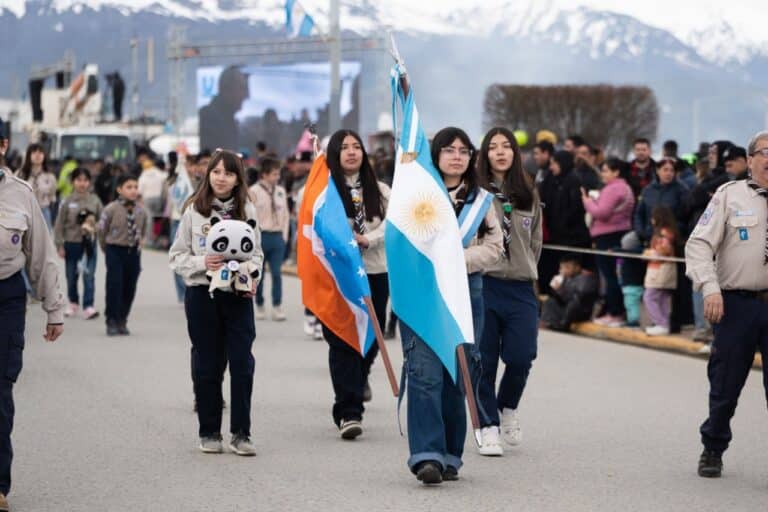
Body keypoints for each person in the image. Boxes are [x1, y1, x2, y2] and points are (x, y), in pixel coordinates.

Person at [685, 131, 768, 479]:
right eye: (765, 152)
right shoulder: (728, 196)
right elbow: (699, 244)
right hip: (737, 304)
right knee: (726, 384)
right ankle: (713, 447)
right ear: (750, 161)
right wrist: (710, 288)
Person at [169, 149, 263, 456]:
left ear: (238, 179)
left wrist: (253, 275)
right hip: (202, 295)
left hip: (238, 296)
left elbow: (257, 253)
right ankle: (209, 431)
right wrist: (202, 262)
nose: (222, 178)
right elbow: (176, 256)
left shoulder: (247, 210)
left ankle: (241, 433)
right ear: (208, 174)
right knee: (208, 365)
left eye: (229, 173)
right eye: (217, 172)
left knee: (242, 363)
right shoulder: (193, 211)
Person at [0, 117, 64, 512]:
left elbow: (41, 255)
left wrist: (54, 309)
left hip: (6, 295)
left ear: (3, 146)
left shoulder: (21, 195)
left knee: (0, 392)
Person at [476, 127, 542, 457]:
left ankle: (507, 408)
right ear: (485, 154)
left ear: (515, 153)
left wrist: (527, 270)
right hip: (485, 283)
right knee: (484, 362)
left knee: (522, 355)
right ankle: (487, 427)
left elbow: (536, 242)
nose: (501, 152)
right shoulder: (475, 194)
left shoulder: (527, 192)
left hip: (520, 287)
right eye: (493, 147)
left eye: (507, 147)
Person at [320, 130, 389, 440]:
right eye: (344, 147)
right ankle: (348, 411)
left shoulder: (382, 191)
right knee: (342, 339)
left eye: (356, 146)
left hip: (375, 272)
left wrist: (369, 239)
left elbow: (394, 224)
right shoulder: (325, 192)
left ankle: (360, 378)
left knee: (373, 336)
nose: (351, 152)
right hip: (339, 276)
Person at [582, 158, 635, 326]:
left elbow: (602, 212)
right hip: (618, 233)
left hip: (608, 236)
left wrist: (587, 201)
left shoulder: (614, 189)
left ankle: (615, 312)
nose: (603, 174)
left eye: (605, 170)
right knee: (615, 275)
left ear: (616, 172)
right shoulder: (625, 187)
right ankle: (614, 311)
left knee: (610, 276)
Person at [98, 174, 147, 336]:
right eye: (129, 187)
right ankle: (111, 319)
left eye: (135, 187)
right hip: (115, 250)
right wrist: (106, 249)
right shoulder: (110, 209)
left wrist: (140, 242)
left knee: (129, 287)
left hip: (133, 252)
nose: (133, 190)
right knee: (114, 285)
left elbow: (144, 229)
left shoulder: (141, 210)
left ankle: (122, 319)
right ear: (120, 189)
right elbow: (102, 230)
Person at [538, 150, 591, 295]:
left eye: (555, 163)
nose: (551, 167)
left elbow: (575, 209)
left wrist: (562, 224)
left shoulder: (573, 181)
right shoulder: (550, 180)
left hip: (571, 238)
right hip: (552, 236)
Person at [53, 168, 103, 320]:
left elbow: (103, 221)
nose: (82, 183)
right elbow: (59, 224)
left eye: (85, 180)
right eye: (79, 180)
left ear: (89, 182)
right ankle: (73, 302)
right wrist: (59, 245)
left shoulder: (95, 200)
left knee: (89, 275)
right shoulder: (67, 201)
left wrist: (94, 226)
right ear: (73, 182)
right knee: (71, 275)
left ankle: (89, 306)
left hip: (89, 244)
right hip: (71, 243)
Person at [249, 158, 290, 321]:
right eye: (274, 174)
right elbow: (249, 216)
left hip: (277, 236)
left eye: (278, 174)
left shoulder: (280, 191)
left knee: (277, 273)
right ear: (264, 175)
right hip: (261, 236)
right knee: (258, 274)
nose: (277, 177)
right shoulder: (254, 192)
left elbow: (285, 214)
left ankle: (277, 305)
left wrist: (284, 237)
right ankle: (259, 304)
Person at [632, 157, 687, 246]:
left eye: (671, 170)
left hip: (669, 237)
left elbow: (684, 217)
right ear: (657, 171)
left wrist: (670, 232)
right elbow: (638, 214)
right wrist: (641, 231)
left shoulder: (681, 190)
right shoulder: (648, 190)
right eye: (665, 170)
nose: (668, 173)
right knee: (628, 241)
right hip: (647, 233)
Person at [642, 206, 679, 336]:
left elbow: (663, 251)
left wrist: (649, 252)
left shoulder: (662, 233)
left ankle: (660, 323)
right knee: (663, 299)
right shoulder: (670, 231)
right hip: (666, 270)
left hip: (658, 270)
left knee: (649, 297)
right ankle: (665, 323)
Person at [166, 147, 195, 303]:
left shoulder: (201, 183)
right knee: (178, 257)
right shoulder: (175, 180)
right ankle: (182, 294)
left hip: (194, 222)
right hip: (177, 221)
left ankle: (192, 290)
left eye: (192, 165)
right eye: (187, 165)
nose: (190, 168)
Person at [540, 255, 598, 331]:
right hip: (567, 308)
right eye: (562, 268)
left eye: (567, 267)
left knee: (573, 304)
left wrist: (560, 289)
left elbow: (577, 298)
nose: (564, 270)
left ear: (577, 267)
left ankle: (563, 325)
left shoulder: (585, 278)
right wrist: (555, 290)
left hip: (582, 311)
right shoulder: (566, 278)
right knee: (550, 301)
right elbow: (562, 298)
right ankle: (548, 321)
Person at [15, 144, 56, 229]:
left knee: (44, 240)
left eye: (40, 152)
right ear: (29, 155)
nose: (37, 155)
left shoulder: (50, 176)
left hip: (43, 212)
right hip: (24, 212)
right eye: (34, 152)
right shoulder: (20, 174)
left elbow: (52, 198)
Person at [137, 151, 168, 246]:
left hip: (147, 199)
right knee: (158, 218)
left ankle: (149, 240)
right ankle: (157, 238)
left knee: (149, 219)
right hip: (158, 199)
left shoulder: (143, 175)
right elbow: (166, 178)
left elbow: (139, 190)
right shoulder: (159, 173)